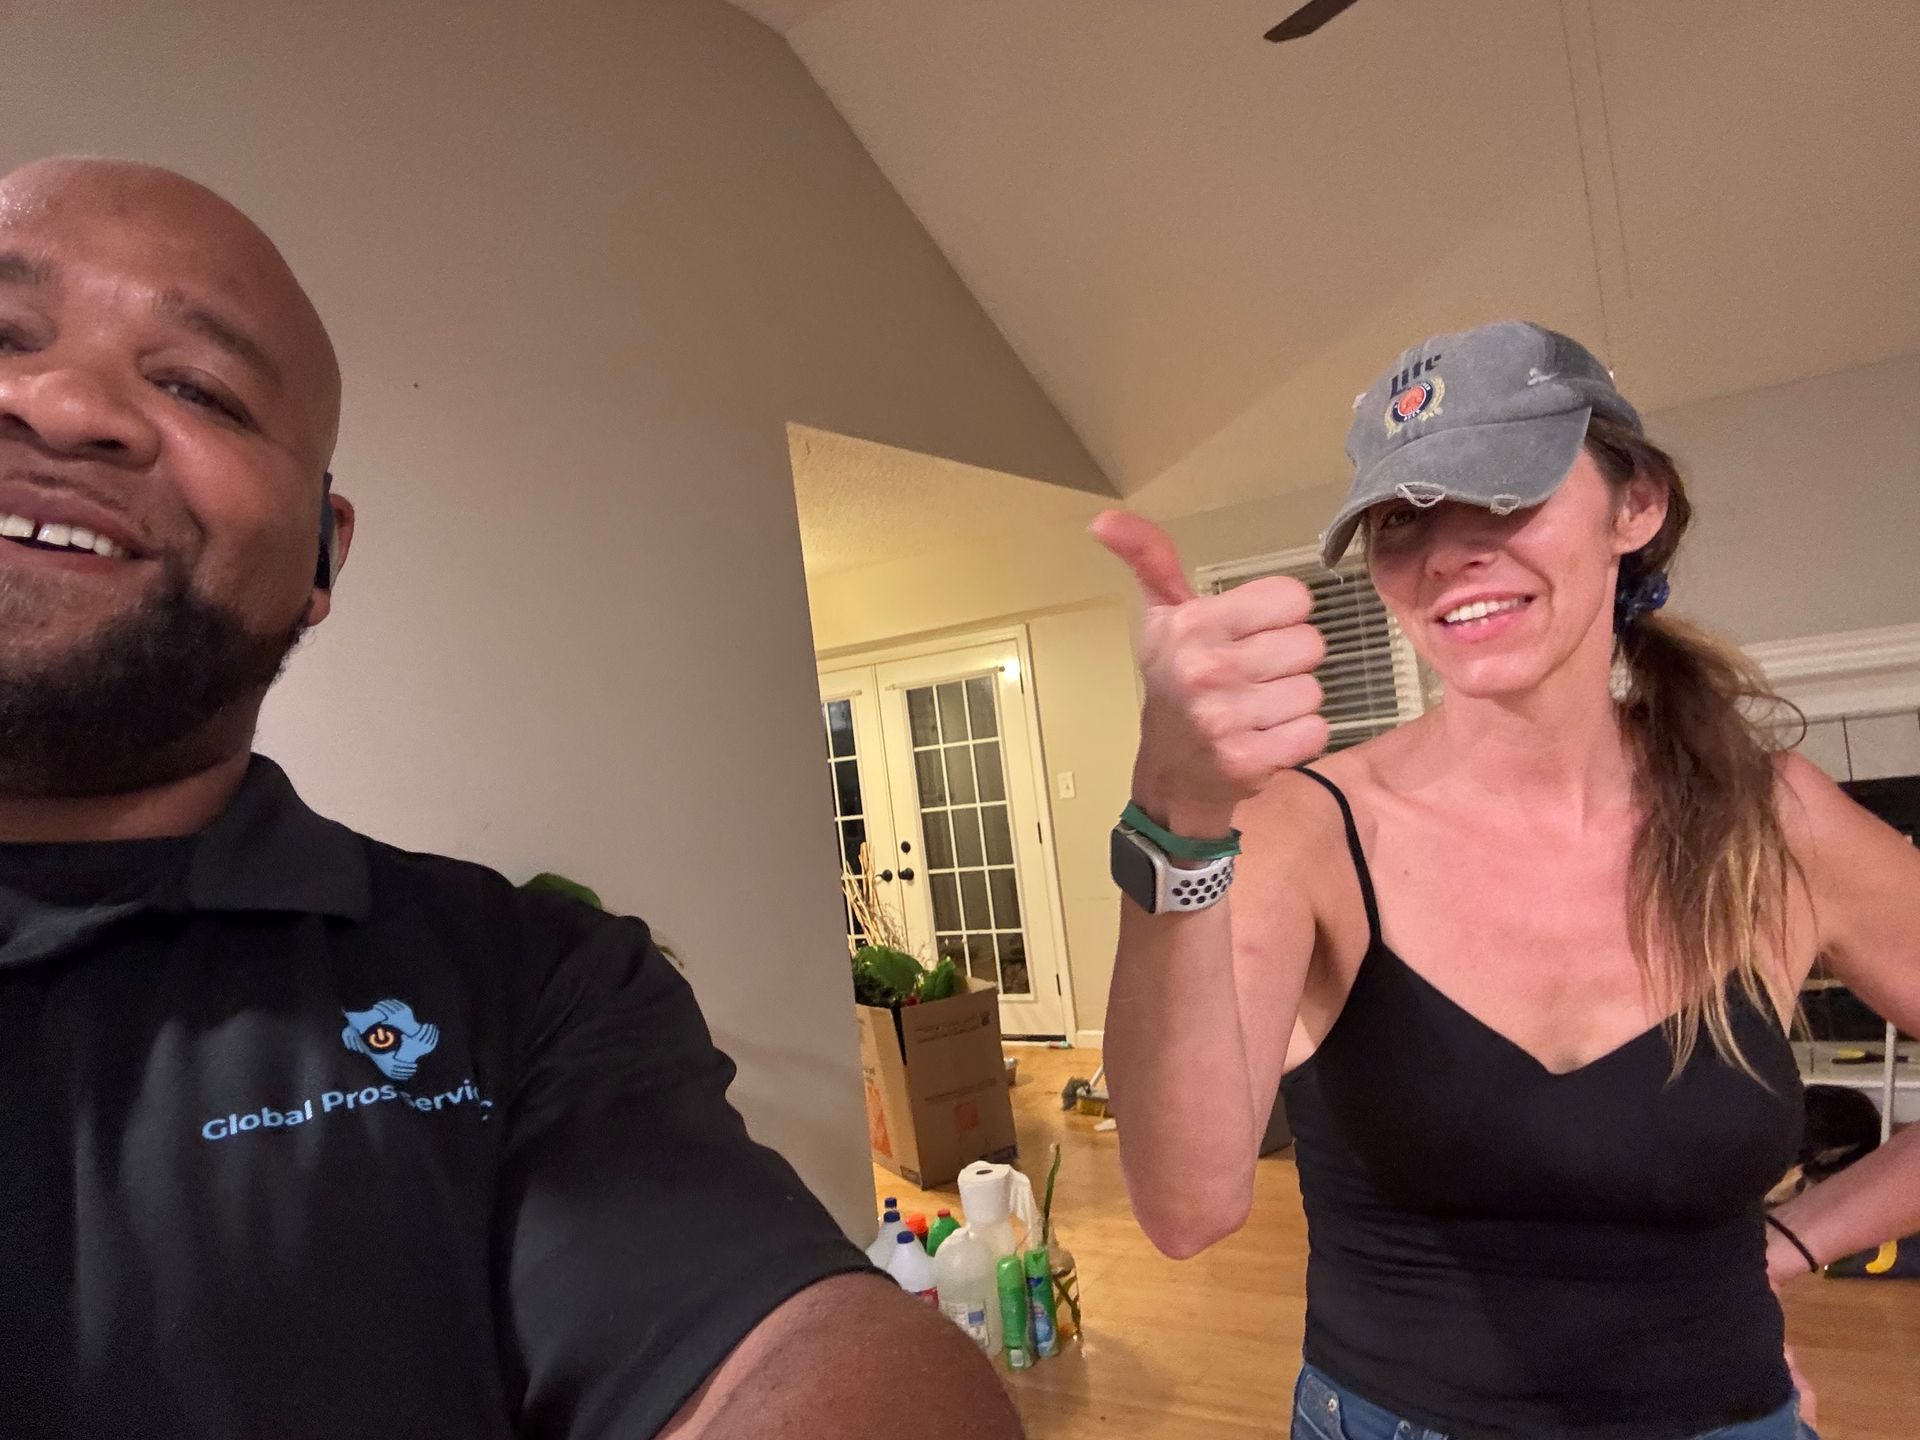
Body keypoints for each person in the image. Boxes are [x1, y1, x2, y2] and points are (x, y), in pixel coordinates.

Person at [0, 156, 1021, 1440]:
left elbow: (794, 1345)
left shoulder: (528, 986)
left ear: (324, 552)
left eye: (196, 386)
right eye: (4, 335)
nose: (62, 402)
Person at [1093, 321, 1920, 1440]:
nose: (1447, 555)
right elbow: (1186, 1210)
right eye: (1402, 520)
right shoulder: (1305, 830)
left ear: (1637, 507)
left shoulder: (1772, 823)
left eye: (1502, 494)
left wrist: (1789, 1244)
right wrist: (1177, 813)